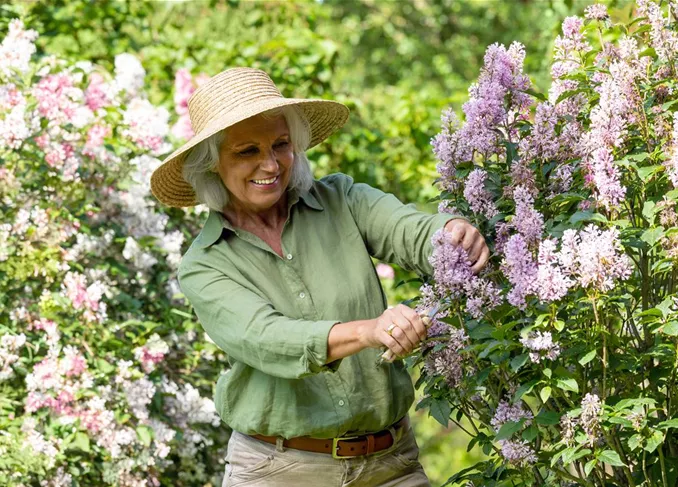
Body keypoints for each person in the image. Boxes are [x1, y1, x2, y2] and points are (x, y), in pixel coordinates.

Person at [150, 67, 489, 487]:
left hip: (390, 465)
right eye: (247, 151)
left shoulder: (342, 199)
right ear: (211, 165)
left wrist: (450, 232)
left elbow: (409, 229)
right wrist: (368, 331)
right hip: (278, 470)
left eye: (281, 145)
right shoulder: (206, 264)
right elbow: (269, 339)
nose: (270, 164)